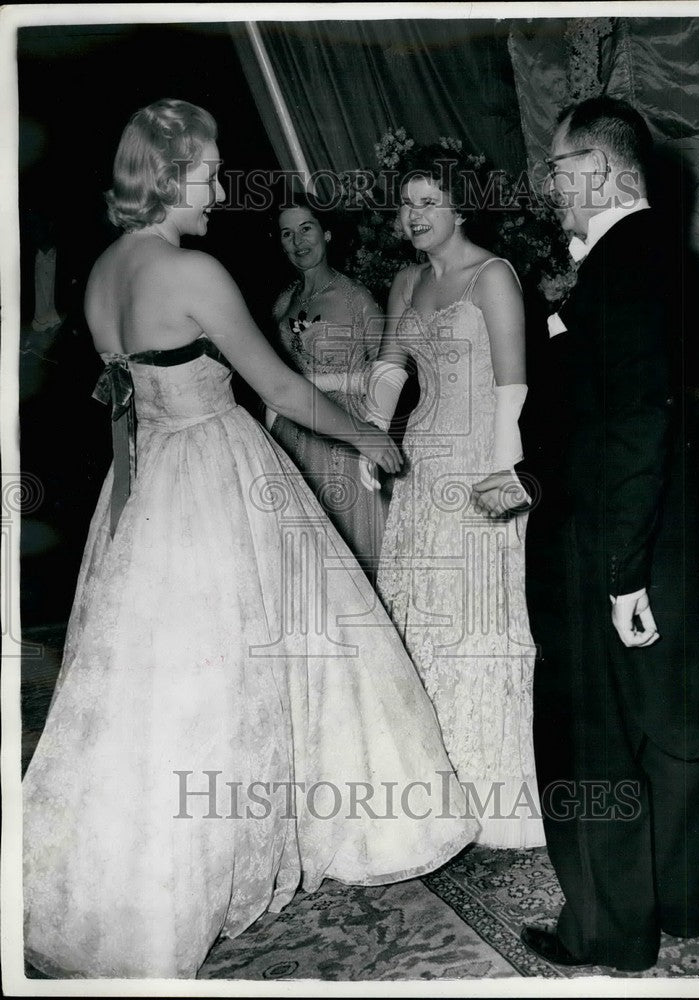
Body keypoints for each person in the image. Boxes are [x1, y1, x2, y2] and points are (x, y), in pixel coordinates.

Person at [22, 99, 477, 979]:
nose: (222, 189)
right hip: (216, 478)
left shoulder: (104, 273)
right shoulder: (192, 275)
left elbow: (126, 395)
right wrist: (367, 436)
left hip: (146, 483)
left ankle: (138, 868)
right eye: (207, 174)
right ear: (164, 179)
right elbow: (285, 388)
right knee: (270, 660)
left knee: (156, 686)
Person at [473, 96, 699, 971]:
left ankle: (609, 933)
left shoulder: (622, 266)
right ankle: (681, 905)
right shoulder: (666, 258)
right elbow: (612, 415)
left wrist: (620, 578)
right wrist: (530, 476)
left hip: (608, 549)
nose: (550, 190)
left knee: (591, 741)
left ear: (594, 169)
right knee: (670, 725)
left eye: (554, 169)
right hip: (658, 532)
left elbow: (634, 429)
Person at [365, 144, 546, 850]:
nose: (413, 216)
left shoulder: (493, 276)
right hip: (420, 471)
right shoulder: (406, 284)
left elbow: (513, 387)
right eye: (406, 203)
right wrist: (372, 442)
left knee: (477, 625)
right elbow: (389, 369)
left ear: (460, 205)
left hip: (479, 469)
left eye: (427, 202)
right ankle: (429, 793)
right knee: (420, 621)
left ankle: (494, 793)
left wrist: (506, 473)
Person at [267, 196, 386, 580]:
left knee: (352, 557)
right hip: (293, 435)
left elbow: (385, 374)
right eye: (287, 233)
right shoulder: (283, 303)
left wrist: (324, 382)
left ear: (327, 233)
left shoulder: (357, 298)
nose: (298, 241)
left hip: (343, 436)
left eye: (306, 228)